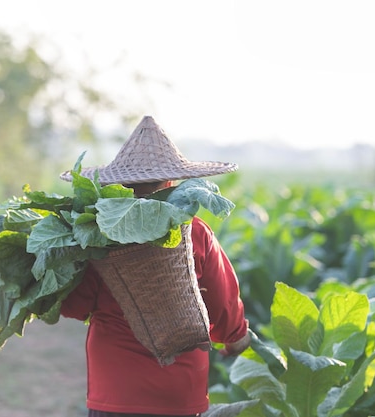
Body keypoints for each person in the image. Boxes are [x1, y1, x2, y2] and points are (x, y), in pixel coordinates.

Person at [60, 115, 250, 417]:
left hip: (116, 390)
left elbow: (75, 306)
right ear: (171, 183)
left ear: (120, 184)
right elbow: (223, 301)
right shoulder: (194, 232)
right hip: (179, 393)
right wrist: (234, 337)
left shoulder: (99, 234)